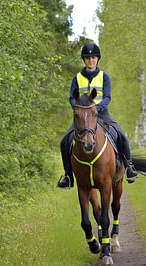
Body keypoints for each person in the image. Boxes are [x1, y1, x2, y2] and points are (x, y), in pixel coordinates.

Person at [57, 43, 138, 188]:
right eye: (88, 58)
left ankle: (129, 167)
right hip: (82, 117)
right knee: (65, 141)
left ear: (97, 59)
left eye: (93, 57)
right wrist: (78, 108)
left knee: (121, 135)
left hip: (102, 114)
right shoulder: (77, 78)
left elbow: (107, 96)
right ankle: (68, 176)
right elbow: (71, 97)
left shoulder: (104, 77)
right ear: (84, 60)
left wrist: (97, 107)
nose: (91, 60)